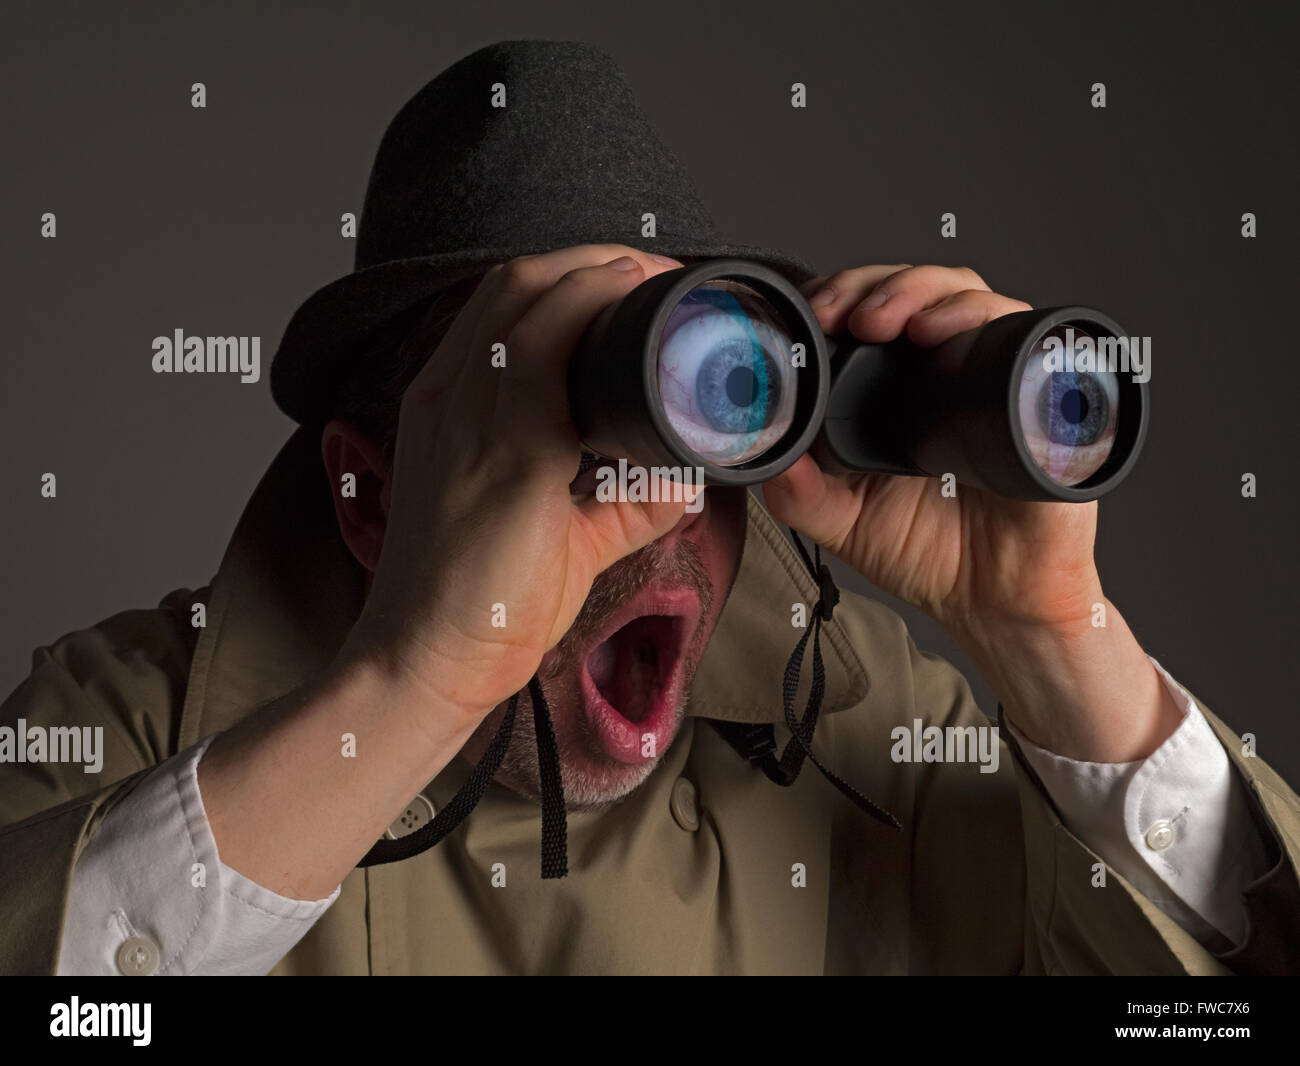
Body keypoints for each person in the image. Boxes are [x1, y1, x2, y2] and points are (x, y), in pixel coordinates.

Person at [2, 40, 1296, 976]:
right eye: (586, 421)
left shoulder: (863, 724)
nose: (665, 503)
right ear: (372, 492)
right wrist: (414, 676)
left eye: (715, 400)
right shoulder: (120, 723)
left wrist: (1053, 632)